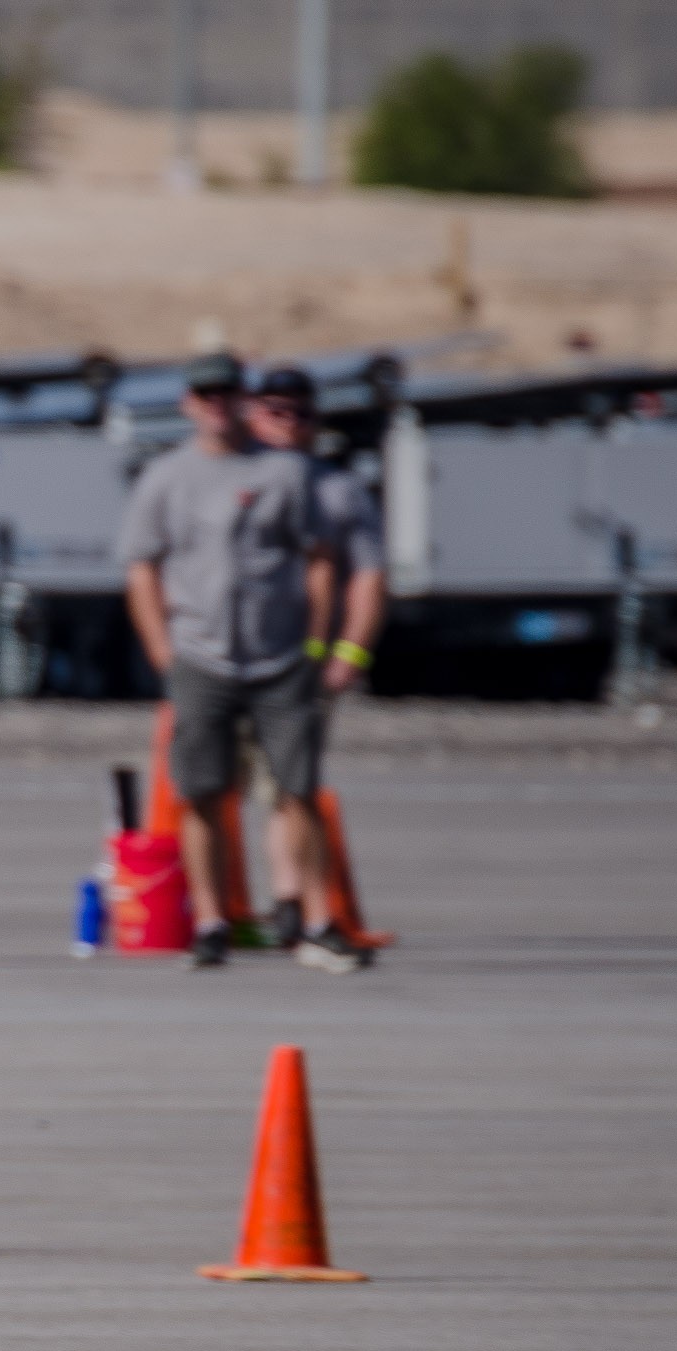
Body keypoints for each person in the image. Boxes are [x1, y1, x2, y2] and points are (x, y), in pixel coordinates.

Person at [116, 351, 369, 973]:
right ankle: (210, 922)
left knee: (298, 790)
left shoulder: (285, 474)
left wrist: (318, 645)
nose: (218, 407)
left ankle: (317, 919)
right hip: (202, 656)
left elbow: (321, 561)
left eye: (228, 395)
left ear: (243, 403)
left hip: (279, 658)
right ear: (189, 404)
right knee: (201, 793)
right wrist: (162, 650)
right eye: (206, 396)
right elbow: (142, 567)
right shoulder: (167, 477)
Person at [246, 366, 384, 949]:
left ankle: (297, 903)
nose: (288, 423)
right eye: (275, 410)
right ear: (253, 413)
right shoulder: (230, 478)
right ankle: (228, 909)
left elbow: (367, 577)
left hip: (301, 661)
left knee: (290, 785)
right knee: (224, 785)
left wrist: (349, 649)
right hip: (232, 656)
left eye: (300, 413)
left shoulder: (338, 491)